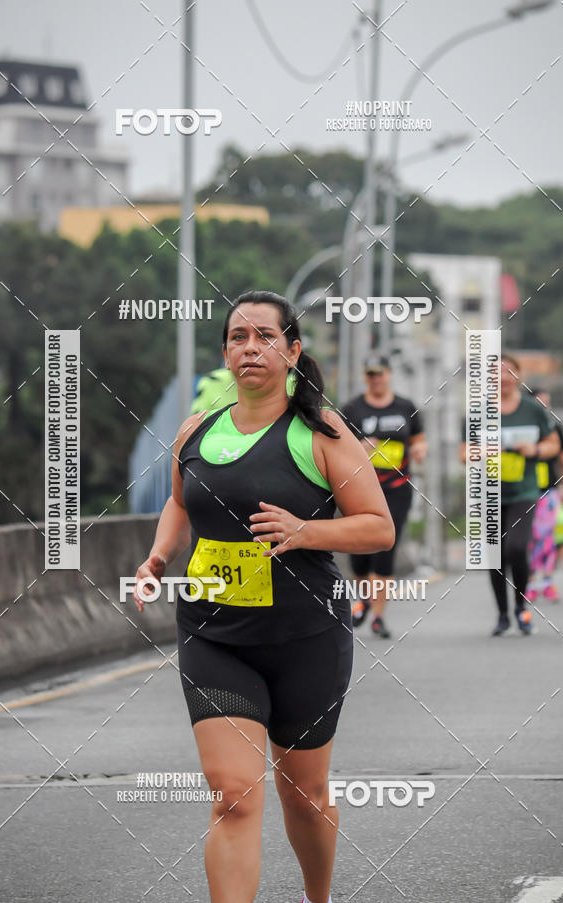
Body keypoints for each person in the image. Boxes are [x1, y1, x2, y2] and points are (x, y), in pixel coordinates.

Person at [133, 290, 394, 903]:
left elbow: (377, 526)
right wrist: (156, 557)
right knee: (233, 793)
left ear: (293, 350)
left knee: (303, 796)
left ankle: (317, 898)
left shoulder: (322, 434)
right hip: (215, 635)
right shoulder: (197, 430)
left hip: (305, 636)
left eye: (265, 337)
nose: (250, 348)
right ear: (225, 350)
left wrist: (307, 531)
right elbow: (178, 501)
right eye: (237, 337)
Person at [460, 354, 559, 636]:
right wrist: (483, 452)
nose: (503, 377)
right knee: (495, 556)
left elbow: (553, 444)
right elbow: (463, 453)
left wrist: (536, 451)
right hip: (489, 493)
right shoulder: (477, 412)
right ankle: (503, 614)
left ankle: (521, 606)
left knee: (516, 548)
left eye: (509, 371)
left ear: (518, 376)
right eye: (497, 372)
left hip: (524, 490)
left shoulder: (533, 409)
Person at [340, 354, 426, 638]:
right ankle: (364, 599)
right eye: (371, 374)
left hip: (397, 488)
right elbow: (336, 448)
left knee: (385, 551)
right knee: (359, 556)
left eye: (381, 373)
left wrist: (419, 451)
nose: (376, 378)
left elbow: (418, 439)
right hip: (360, 489)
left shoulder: (405, 407)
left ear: (389, 375)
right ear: (366, 377)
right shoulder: (352, 409)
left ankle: (378, 616)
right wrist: (359, 448)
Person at [525, 388, 563, 603]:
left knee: (546, 538)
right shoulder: (522, 427)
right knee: (528, 538)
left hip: (548, 492)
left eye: (547, 403)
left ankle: (547, 581)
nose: (545, 407)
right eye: (540, 403)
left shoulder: (554, 429)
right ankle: (531, 581)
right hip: (522, 491)